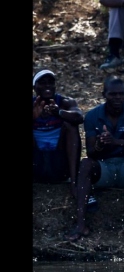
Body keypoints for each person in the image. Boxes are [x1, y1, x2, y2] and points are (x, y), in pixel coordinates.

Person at [67, 76, 124, 242]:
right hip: (105, 168)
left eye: (121, 94)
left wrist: (115, 141)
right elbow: (91, 152)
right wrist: (100, 144)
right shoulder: (93, 116)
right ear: (104, 94)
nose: (118, 98)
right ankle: (80, 223)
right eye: (113, 94)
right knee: (86, 164)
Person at [32, 69, 84, 200]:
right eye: (42, 83)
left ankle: (74, 182)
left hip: (59, 163)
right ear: (34, 87)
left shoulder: (65, 102)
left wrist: (59, 112)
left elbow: (79, 117)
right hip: (37, 163)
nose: (47, 86)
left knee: (70, 126)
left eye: (50, 82)